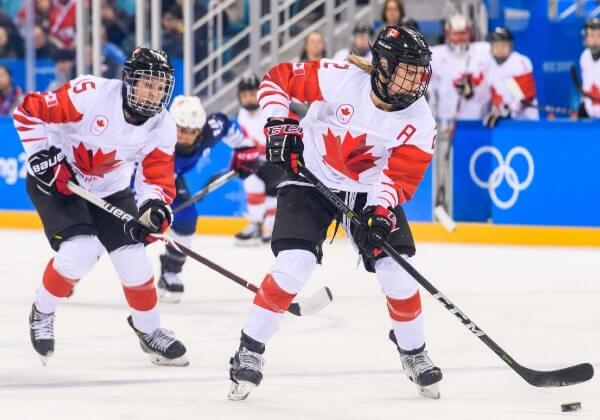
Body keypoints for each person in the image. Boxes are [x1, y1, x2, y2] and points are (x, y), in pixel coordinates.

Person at [227, 25, 442, 401]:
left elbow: (400, 176)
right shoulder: (340, 78)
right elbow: (276, 80)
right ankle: (249, 349)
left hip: (368, 191)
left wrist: (379, 212)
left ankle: (414, 352)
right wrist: (280, 123)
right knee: (294, 265)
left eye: (419, 72)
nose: (415, 81)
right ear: (383, 66)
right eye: (407, 70)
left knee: (399, 272)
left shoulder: (420, 120)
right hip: (311, 176)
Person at [13, 47, 188, 367]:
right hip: (57, 181)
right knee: (80, 252)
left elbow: (157, 179)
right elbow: (27, 110)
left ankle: (148, 330)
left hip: (110, 190)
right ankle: (43, 311)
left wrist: (153, 209)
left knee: (134, 259)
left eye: (161, 87)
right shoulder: (90, 94)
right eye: (147, 84)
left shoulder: (162, 126)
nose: (154, 94)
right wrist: (41, 156)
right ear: (129, 81)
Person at [157, 95, 259, 302]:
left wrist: (246, 152)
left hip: (171, 178)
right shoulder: (154, 136)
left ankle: (170, 273)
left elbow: (228, 126)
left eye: (192, 131)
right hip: (143, 178)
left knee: (186, 218)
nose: (186, 136)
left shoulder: (211, 128)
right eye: (181, 129)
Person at [234, 76, 284, 244]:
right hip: (255, 161)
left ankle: (270, 225)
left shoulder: (270, 110)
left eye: (252, 94)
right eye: (244, 95)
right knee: (252, 183)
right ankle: (256, 223)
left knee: (273, 190)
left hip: (275, 160)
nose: (248, 98)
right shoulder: (241, 114)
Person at [483, 27, 538, 128]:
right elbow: (494, 93)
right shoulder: (488, 65)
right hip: (503, 121)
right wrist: (497, 110)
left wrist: (510, 110)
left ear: (510, 46)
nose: (499, 49)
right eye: (496, 45)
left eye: (503, 45)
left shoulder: (520, 62)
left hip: (525, 120)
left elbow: (527, 95)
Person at [578, 18, 600, 119]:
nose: (595, 40)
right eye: (591, 36)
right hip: (590, 117)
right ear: (585, 38)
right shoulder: (584, 57)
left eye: (599, 36)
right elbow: (586, 86)